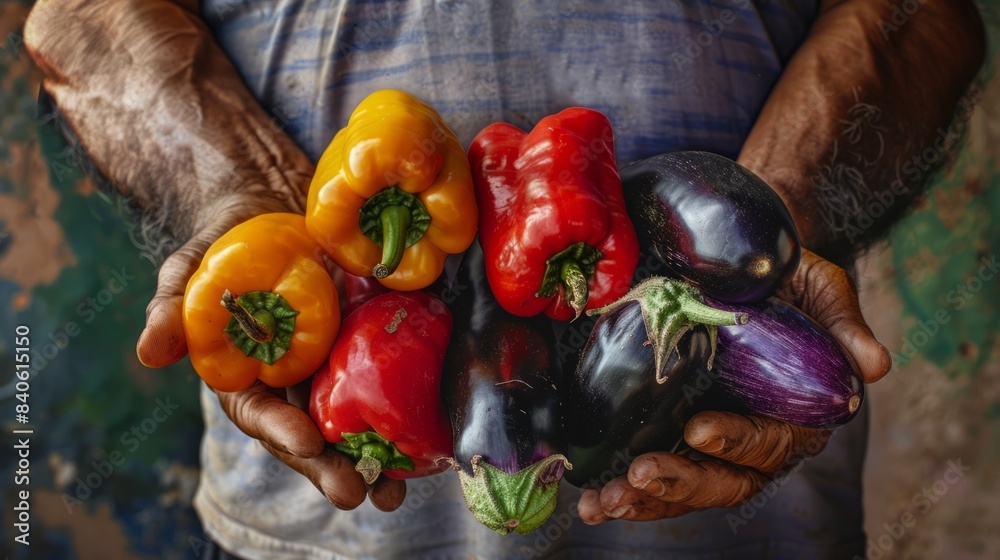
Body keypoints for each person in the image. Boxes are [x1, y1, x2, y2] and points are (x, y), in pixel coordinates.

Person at [23, 0, 984, 558]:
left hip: (742, 504)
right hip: (322, 517)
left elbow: (923, 13)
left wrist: (756, 230)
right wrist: (237, 206)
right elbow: (80, 14)